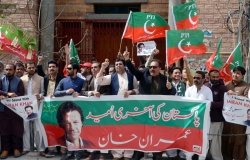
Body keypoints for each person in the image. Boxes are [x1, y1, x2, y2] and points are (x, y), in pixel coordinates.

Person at [123, 50, 176, 160]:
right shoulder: (143, 75)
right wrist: (127, 59)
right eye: (151, 67)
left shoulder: (166, 79)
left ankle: (157, 154)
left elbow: (173, 94)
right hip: (144, 112)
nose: (152, 69)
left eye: (155, 67)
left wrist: (170, 88)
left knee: (157, 137)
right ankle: (139, 153)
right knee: (141, 134)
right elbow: (133, 71)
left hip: (158, 114)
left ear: (159, 68)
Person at [21, 61, 47, 156]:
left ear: (35, 68)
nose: (31, 69)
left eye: (33, 67)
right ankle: (26, 148)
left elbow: (43, 92)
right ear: (26, 68)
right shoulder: (22, 79)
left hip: (37, 105)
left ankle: (41, 149)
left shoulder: (41, 78)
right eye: (29, 67)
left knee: (38, 128)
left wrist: (39, 95)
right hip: (24, 106)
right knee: (25, 127)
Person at [222, 66, 249, 160]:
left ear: (242, 76)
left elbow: (247, 101)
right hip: (227, 119)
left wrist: (236, 95)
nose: (235, 75)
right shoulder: (226, 85)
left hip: (240, 121)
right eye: (234, 72)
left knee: (238, 140)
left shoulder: (246, 86)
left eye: (238, 73)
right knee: (227, 138)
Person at [185, 70, 213, 160]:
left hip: (203, 121)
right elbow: (186, 104)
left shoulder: (208, 90)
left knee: (204, 140)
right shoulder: (189, 90)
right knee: (189, 139)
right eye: (194, 78)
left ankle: (202, 157)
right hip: (191, 120)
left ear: (204, 79)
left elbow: (210, 104)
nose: (196, 79)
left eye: (198, 78)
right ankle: (188, 157)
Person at [0, 63, 25, 159]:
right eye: (6, 69)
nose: (8, 71)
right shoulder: (1, 79)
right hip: (3, 109)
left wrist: (15, 95)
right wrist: (5, 94)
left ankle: (17, 149)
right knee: (4, 129)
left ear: (14, 70)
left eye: (10, 70)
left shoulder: (19, 81)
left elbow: (21, 93)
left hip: (16, 109)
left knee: (16, 129)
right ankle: (5, 150)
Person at [204, 69, 227, 160]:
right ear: (209, 77)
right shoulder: (205, 86)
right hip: (205, 119)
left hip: (217, 119)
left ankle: (217, 158)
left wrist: (209, 104)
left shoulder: (222, 88)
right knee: (206, 141)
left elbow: (223, 103)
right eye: (213, 77)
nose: (215, 78)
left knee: (215, 142)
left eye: (217, 77)